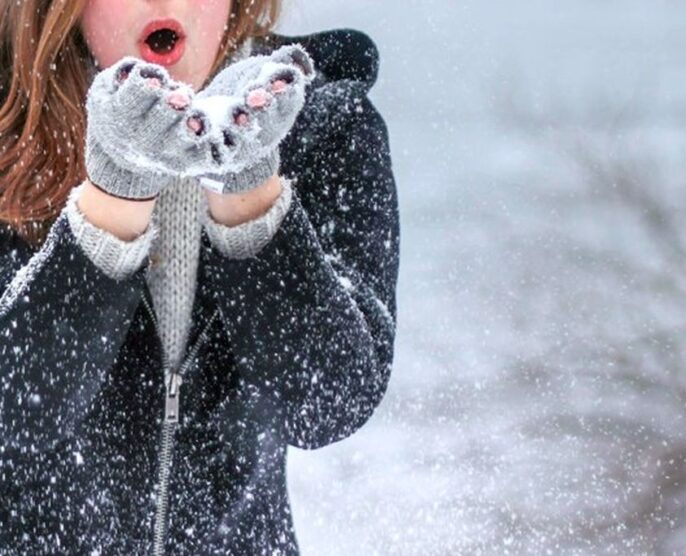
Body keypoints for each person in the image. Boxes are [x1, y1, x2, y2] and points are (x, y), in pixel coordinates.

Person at [0, 0, 400, 553]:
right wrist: (113, 197)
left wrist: (252, 195)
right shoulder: (7, 130)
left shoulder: (323, 127)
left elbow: (329, 403)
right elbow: (12, 420)